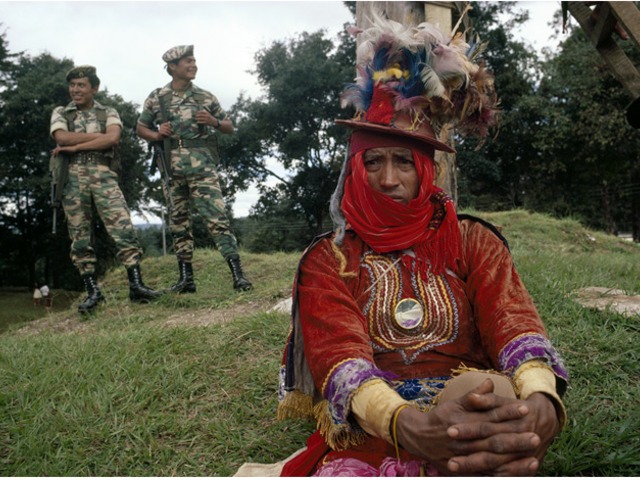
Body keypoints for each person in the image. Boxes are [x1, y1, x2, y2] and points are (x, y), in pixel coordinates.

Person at [274, 14, 569, 477]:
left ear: (428, 169)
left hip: (472, 407)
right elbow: (339, 355)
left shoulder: (473, 240)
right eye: (373, 161)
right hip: (373, 430)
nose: (388, 179)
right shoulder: (328, 259)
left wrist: (541, 400)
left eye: (404, 162)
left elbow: (512, 320)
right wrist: (405, 424)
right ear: (355, 168)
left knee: (492, 406)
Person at [136, 45, 252, 293]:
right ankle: (186, 280)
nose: (193, 65)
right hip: (171, 169)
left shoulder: (205, 97)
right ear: (172, 67)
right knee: (178, 223)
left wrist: (214, 121)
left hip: (202, 168)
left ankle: (238, 276)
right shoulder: (157, 97)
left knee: (217, 219)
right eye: (187, 61)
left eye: (194, 60)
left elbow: (229, 126)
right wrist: (157, 134)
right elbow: (140, 128)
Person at [50, 65, 162, 314]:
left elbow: (112, 139)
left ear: (94, 88)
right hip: (71, 180)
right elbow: (61, 138)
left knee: (123, 228)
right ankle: (92, 291)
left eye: (81, 85)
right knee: (79, 236)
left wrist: (75, 146)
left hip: (104, 176)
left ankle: (136, 286)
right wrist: (95, 140)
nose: (75, 90)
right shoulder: (61, 112)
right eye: (72, 85)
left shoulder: (108, 111)